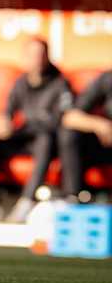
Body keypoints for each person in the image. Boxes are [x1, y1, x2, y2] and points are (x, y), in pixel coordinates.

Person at [0, 38, 74, 223]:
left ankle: (26, 201)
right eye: (31, 55)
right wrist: (3, 123)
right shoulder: (20, 81)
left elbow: (60, 120)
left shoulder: (60, 82)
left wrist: (26, 123)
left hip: (43, 140)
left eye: (40, 55)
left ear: (47, 57)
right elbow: (8, 112)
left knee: (45, 139)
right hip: (20, 136)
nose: (36, 59)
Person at [59, 69, 112, 201]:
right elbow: (70, 118)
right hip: (107, 145)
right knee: (68, 134)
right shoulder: (108, 79)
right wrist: (100, 125)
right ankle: (72, 198)